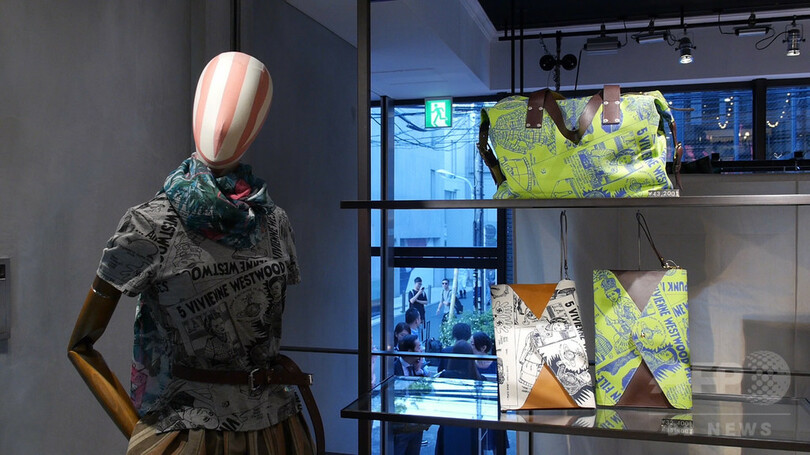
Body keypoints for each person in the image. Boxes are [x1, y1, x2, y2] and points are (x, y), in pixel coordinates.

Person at [67, 52, 322, 455]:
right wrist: (141, 435)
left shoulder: (274, 222)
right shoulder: (148, 225)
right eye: (216, 106)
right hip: (191, 434)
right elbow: (80, 345)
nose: (222, 125)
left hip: (277, 430)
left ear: (258, 123)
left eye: (244, 108)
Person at [434, 341, 481, 455]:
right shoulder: (478, 379)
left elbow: (438, 398)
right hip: (471, 428)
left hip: (448, 426)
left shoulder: (445, 376)